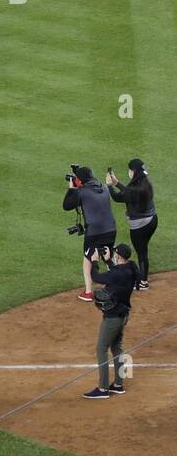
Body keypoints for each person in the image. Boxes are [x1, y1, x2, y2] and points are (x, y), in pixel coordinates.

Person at [82, 244, 139, 399]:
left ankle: (102, 389)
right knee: (116, 347)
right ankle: (118, 385)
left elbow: (96, 277)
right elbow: (116, 273)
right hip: (124, 314)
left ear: (118, 256)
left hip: (113, 318)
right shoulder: (131, 268)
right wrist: (108, 262)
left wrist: (94, 261)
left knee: (101, 348)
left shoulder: (117, 274)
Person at [63, 166, 117, 301]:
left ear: (80, 181)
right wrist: (78, 178)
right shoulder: (103, 187)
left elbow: (67, 205)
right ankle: (115, 285)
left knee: (87, 259)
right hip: (111, 229)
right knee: (108, 256)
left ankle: (88, 292)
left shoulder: (81, 192)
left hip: (94, 232)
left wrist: (72, 188)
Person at [107, 160, 157, 290]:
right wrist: (117, 183)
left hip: (140, 226)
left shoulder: (135, 189)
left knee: (141, 252)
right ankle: (143, 279)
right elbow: (130, 192)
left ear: (133, 172)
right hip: (152, 221)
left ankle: (143, 282)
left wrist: (109, 186)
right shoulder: (146, 183)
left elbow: (117, 197)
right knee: (143, 250)